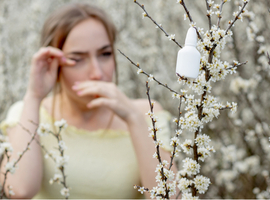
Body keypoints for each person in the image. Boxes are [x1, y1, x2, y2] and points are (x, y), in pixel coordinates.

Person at [0, 3, 177, 199]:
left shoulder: (146, 114)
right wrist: (34, 96)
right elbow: (18, 190)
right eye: (77, 59)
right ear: (54, 63)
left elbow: (168, 196)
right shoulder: (29, 114)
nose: (97, 73)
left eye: (105, 54)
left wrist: (134, 119)